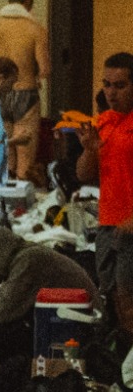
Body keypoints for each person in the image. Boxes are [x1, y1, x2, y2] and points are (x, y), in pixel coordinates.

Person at [0, 222, 97, 363]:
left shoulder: (28, 260)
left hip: (82, 326)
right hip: (72, 318)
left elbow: (4, 311)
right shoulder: (25, 256)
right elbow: (11, 296)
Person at [75, 55, 133, 335]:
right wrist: (89, 149)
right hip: (108, 223)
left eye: (120, 85)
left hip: (130, 226)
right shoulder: (104, 122)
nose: (111, 92)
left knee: (128, 300)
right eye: (107, 84)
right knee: (109, 298)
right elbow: (84, 175)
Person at [0, 0, 49, 182]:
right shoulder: (35, 29)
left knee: (3, 157)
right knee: (25, 162)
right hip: (25, 92)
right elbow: (45, 68)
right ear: (29, 3)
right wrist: (35, 77)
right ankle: (21, 207)